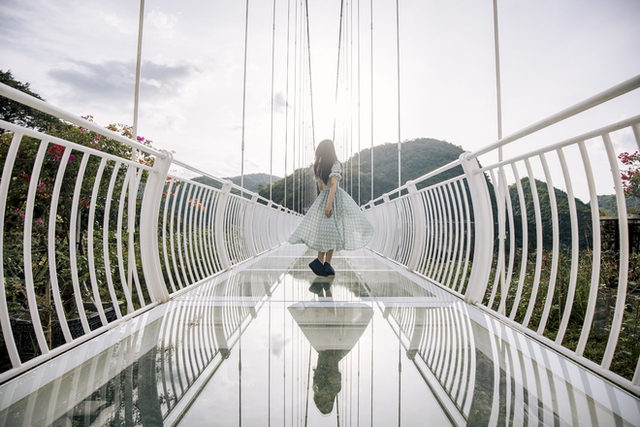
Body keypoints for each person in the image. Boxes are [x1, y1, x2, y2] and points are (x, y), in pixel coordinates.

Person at [288, 139, 374, 276]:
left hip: (323, 198)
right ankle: (321, 261)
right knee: (331, 231)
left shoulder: (318, 166)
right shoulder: (335, 164)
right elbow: (334, 184)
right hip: (335, 200)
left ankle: (326, 264)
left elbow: (321, 187)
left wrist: (324, 201)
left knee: (330, 231)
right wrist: (329, 204)